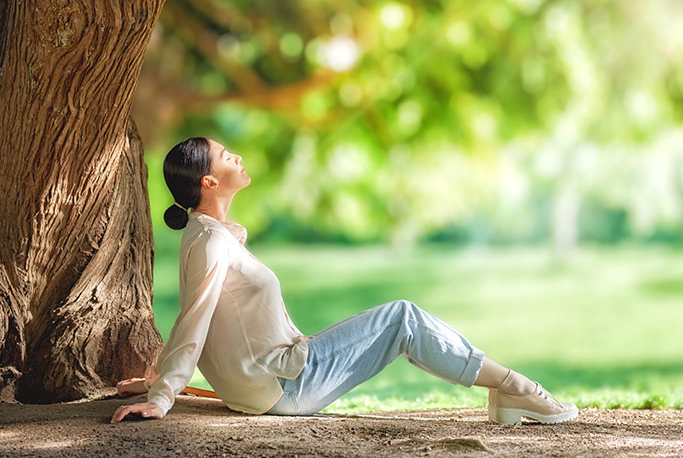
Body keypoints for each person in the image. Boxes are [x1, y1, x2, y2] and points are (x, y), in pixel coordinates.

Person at [110, 136, 578, 426]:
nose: (237, 156)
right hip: (286, 386)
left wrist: (155, 381)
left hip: (274, 381)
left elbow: (200, 317)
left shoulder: (208, 236)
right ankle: (516, 387)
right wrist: (162, 396)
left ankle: (505, 392)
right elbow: (195, 319)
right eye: (226, 155)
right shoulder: (210, 242)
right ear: (209, 182)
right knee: (403, 318)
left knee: (398, 322)